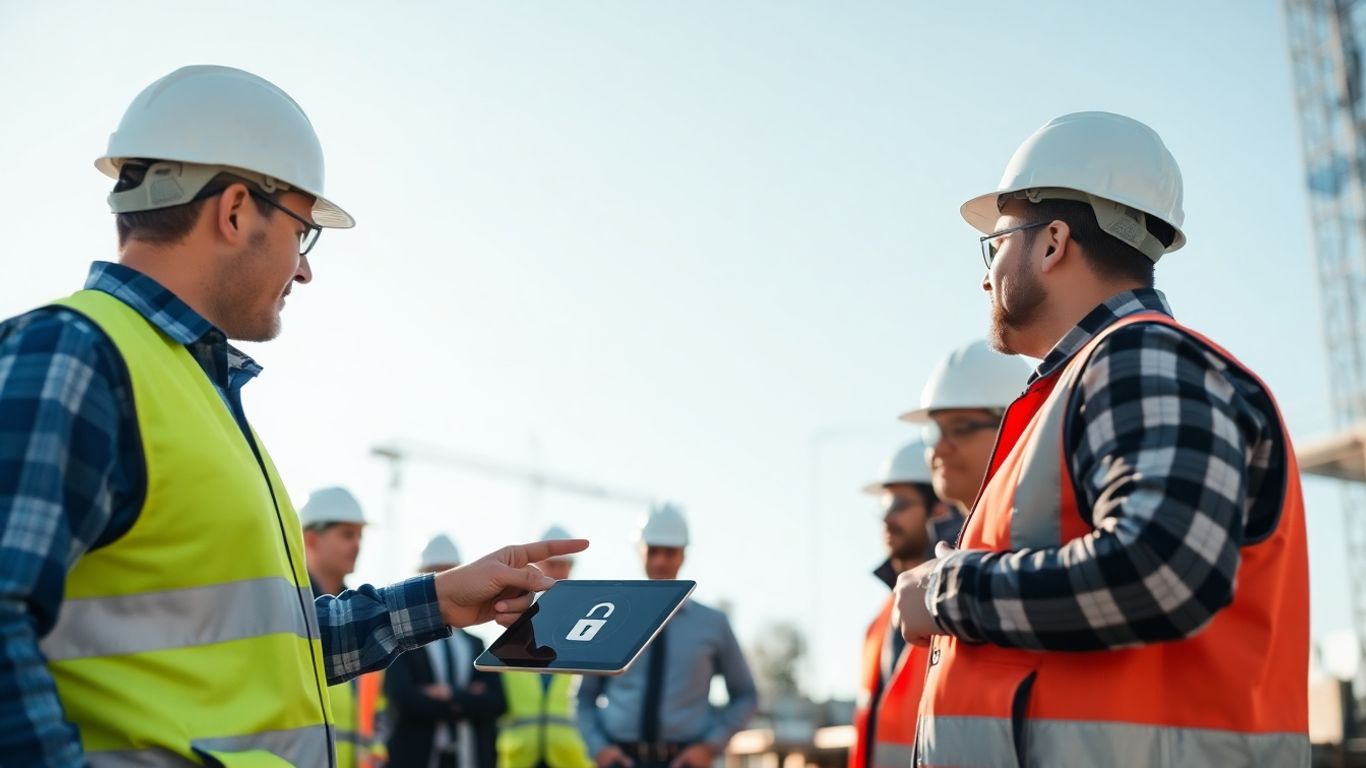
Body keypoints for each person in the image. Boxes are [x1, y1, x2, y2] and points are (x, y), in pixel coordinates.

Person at [0, 64, 586, 766]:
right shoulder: (76, 354)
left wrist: (441, 599)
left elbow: (275, 641)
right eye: (302, 233)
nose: (304, 270)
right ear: (237, 210)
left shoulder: (187, 387)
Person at [893, 112, 1309, 766]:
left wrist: (948, 591)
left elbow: (1161, 569)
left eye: (995, 246)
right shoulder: (1097, 380)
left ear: (1053, 242)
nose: (985, 276)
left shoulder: (1141, 357)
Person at [577, 505, 757, 768]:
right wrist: (599, 748)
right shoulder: (611, 620)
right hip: (619, 759)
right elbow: (584, 698)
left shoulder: (713, 624)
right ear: (640, 551)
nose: (661, 560)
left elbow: (745, 695)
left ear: (683, 555)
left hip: (684, 760)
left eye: (670, 552)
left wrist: (709, 747)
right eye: (653, 551)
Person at [849, 440, 947, 768]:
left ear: (940, 510)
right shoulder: (878, 621)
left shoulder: (957, 605)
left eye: (901, 505)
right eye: (884, 507)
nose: (887, 519)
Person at [386, 535, 506, 768]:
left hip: (468, 758)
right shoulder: (402, 643)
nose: (443, 583)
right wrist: (468, 699)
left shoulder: (476, 645)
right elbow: (403, 700)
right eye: (435, 575)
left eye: (450, 572)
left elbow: (497, 702)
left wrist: (448, 695)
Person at [301, 487, 385, 767]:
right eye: (347, 535)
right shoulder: (289, 611)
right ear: (312, 539)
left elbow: (378, 708)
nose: (358, 544)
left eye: (360, 535)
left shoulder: (367, 613)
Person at [898, 340, 1032, 515]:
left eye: (960, 429)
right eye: (932, 431)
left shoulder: (1053, 534)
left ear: (1019, 429)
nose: (940, 448)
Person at [498, 525, 595, 768]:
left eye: (565, 566)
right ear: (539, 567)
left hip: (571, 758)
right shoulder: (515, 629)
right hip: (519, 758)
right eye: (554, 565)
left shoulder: (589, 628)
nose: (560, 572)